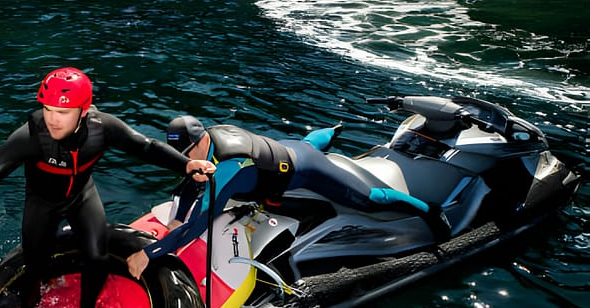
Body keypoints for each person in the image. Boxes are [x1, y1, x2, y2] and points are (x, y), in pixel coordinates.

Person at [0, 67, 214, 308]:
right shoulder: (30, 137)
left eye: (62, 112)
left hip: (81, 197)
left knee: (98, 257)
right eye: (48, 109)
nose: (52, 119)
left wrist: (186, 164)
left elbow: (145, 146)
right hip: (42, 204)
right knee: (34, 268)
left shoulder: (103, 128)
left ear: (83, 111)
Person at [127, 115, 438, 278]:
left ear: (200, 140)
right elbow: (187, 184)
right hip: (286, 147)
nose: (184, 160)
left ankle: (430, 209)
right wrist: (177, 214)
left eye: (186, 153)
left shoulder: (228, 168)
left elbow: (198, 224)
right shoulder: (211, 137)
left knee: (370, 199)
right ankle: (332, 129)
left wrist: (150, 253)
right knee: (308, 143)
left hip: (305, 169)